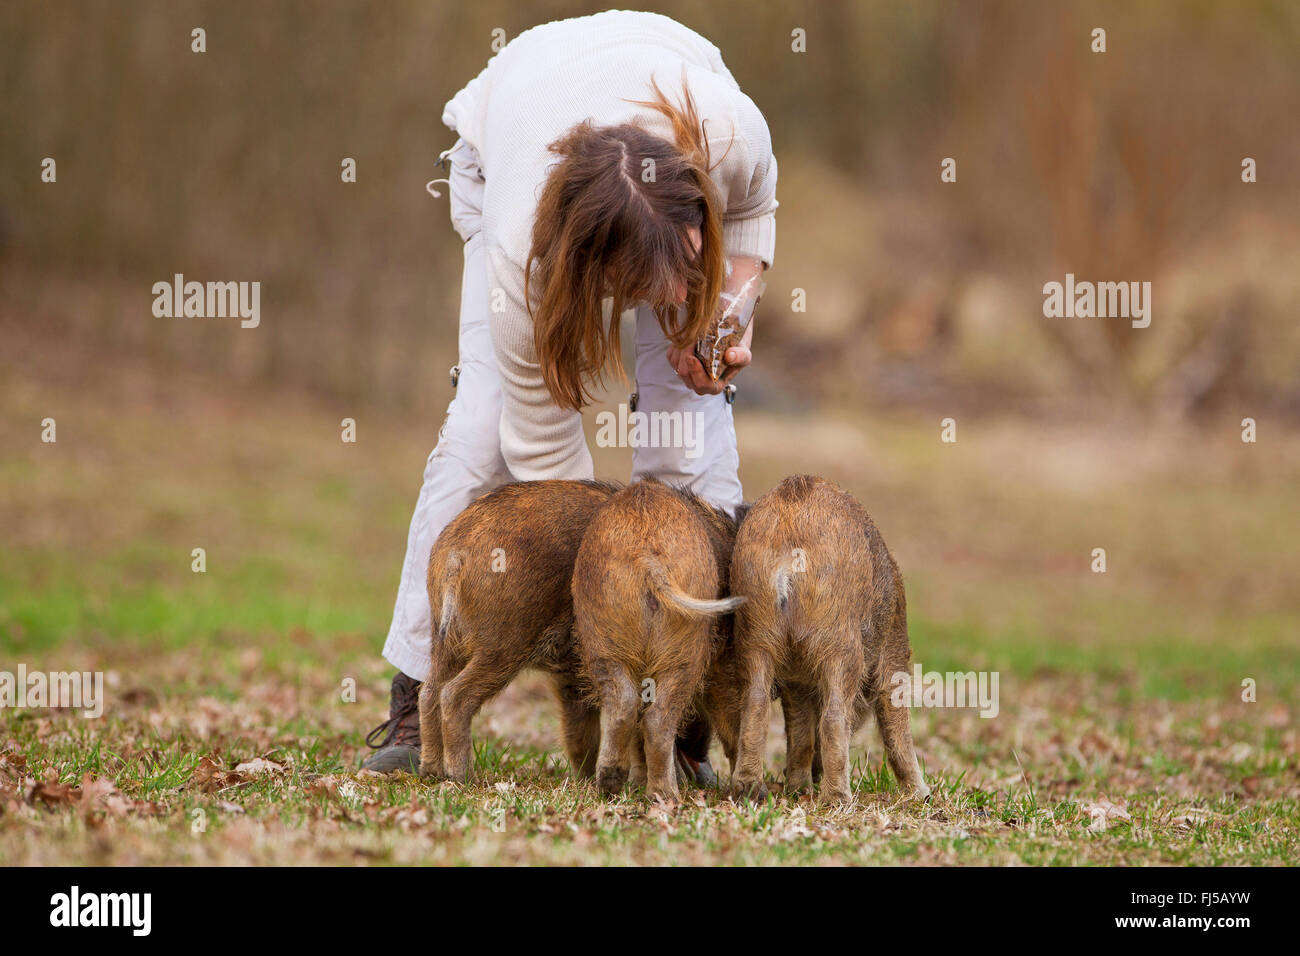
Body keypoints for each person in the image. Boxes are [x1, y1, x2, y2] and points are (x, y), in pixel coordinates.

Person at [363, 10, 778, 779]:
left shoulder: (729, 136)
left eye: (687, 267)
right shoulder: (524, 262)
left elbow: (753, 211)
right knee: (481, 435)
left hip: (660, 87)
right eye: (645, 291)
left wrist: (725, 311)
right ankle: (418, 692)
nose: (670, 299)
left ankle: (682, 716)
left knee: (687, 430)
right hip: (504, 147)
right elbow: (549, 474)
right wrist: (607, 587)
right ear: (592, 275)